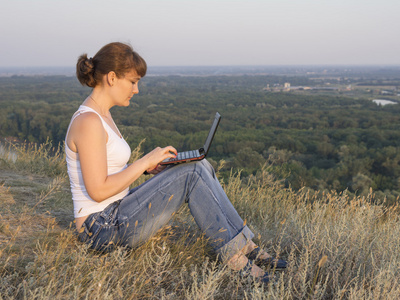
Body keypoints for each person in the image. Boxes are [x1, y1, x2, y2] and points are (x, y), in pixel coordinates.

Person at [65, 42, 286, 283]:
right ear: (111, 77)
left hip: (117, 210)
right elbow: (97, 191)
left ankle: (245, 246)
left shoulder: (101, 115)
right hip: (101, 227)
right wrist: (144, 161)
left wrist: (149, 169)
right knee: (191, 172)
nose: (136, 89)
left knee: (200, 165)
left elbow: (107, 173)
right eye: (133, 81)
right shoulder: (88, 122)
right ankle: (234, 258)